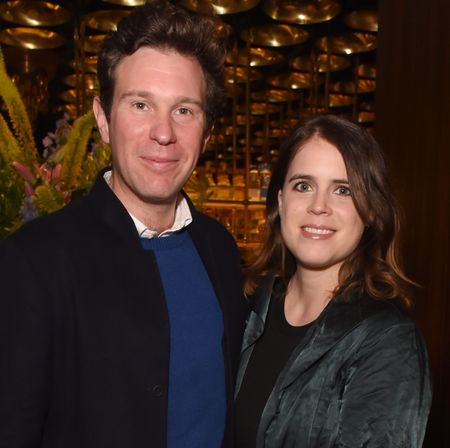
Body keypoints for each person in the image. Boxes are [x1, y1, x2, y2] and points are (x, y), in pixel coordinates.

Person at [0, 2, 248, 447]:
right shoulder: (33, 262)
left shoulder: (220, 249)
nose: (163, 133)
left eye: (185, 110)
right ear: (103, 119)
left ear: (207, 133)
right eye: (140, 104)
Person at [235, 114, 432, 447]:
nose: (318, 206)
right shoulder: (248, 305)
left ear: (370, 210)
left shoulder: (387, 341)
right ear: (280, 200)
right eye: (303, 185)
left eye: (343, 190)